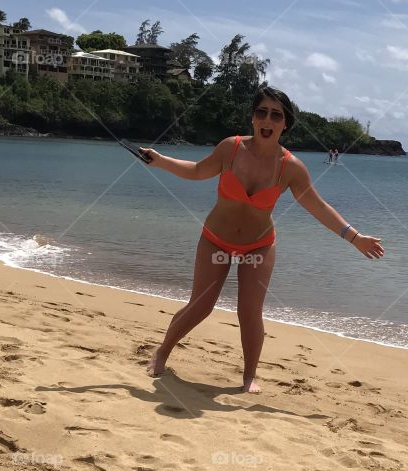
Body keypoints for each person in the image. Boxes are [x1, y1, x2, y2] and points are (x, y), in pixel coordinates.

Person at [139, 87, 384, 393]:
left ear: (286, 124)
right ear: (253, 118)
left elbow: (318, 206)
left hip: (258, 245)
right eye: (261, 112)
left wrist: (355, 237)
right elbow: (198, 171)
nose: (267, 119)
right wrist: (160, 160)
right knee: (201, 306)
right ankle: (162, 352)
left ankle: (249, 376)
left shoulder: (290, 167)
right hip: (215, 239)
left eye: (276, 115)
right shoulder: (231, 148)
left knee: (249, 311)